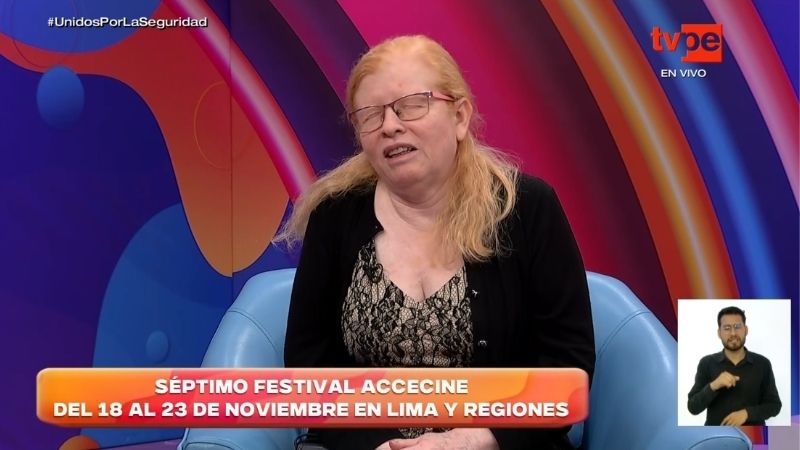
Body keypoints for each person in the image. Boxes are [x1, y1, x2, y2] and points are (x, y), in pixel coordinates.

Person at [279, 35, 595, 450]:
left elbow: (567, 364)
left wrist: (476, 439)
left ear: (460, 116)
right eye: (370, 115)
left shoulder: (528, 208)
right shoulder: (334, 216)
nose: (390, 125)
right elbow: (308, 367)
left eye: (412, 105)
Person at [687, 306, 781, 426]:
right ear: (719, 333)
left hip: (753, 434)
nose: (733, 333)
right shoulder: (707, 363)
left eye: (737, 327)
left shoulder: (763, 363)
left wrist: (747, 414)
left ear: (746, 330)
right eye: (727, 328)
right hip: (716, 435)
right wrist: (714, 385)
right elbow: (693, 407)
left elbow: (774, 405)